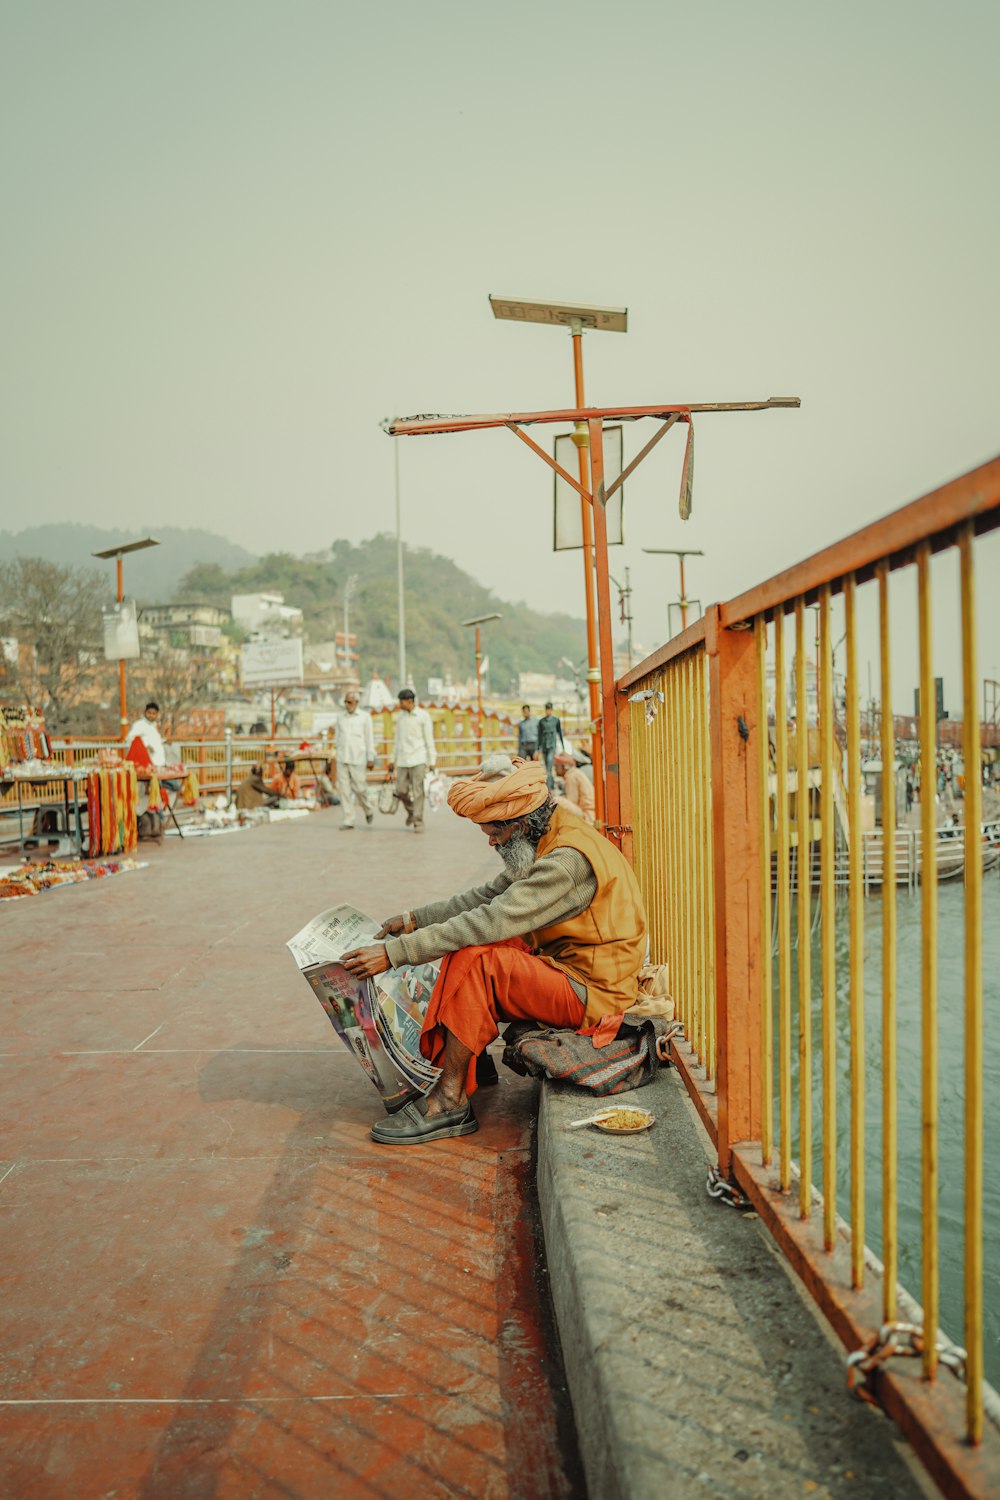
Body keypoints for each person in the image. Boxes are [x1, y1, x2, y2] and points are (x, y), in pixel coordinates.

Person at [341, 753, 647, 1145]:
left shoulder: (565, 861)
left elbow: (489, 920)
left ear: (519, 823)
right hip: (571, 969)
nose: (490, 841)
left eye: (494, 833)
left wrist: (395, 952)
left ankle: (450, 1100)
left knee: (477, 959)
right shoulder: (549, 832)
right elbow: (488, 897)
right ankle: (472, 1059)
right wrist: (414, 918)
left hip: (595, 993)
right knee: (481, 945)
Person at [389, 688, 435, 832]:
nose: (399, 705)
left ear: (409, 701)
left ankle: (418, 822)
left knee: (418, 791)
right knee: (400, 791)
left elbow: (429, 740)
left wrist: (432, 760)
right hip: (403, 760)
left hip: (419, 758)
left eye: (401, 702)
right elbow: (397, 740)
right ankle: (411, 813)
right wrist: (392, 759)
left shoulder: (423, 716)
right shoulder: (400, 718)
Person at [334, 690, 375, 828]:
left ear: (356, 703)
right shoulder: (340, 717)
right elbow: (337, 738)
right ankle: (348, 819)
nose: (347, 705)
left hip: (358, 758)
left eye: (350, 702)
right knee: (344, 790)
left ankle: (368, 809)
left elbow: (369, 738)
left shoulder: (365, 717)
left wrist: (370, 758)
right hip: (342, 757)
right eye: (345, 702)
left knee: (360, 789)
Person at [553, 749, 596, 824]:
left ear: (564, 767)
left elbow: (572, 802)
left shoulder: (571, 776)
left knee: (557, 800)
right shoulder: (575, 773)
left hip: (587, 816)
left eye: (556, 766)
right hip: (587, 812)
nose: (555, 769)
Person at [537, 702, 566, 788]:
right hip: (544, 746)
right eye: (547, 710)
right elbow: (539, 735)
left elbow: (559, 733)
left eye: (549, 709)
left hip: (552, 747)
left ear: (551, 710)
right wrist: (538, 748)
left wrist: (562, 746)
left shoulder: (556, 720)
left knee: (549, 766)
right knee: (547, 766)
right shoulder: (541, 722)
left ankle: (549, 787)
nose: (548, 711)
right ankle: (552, 784)